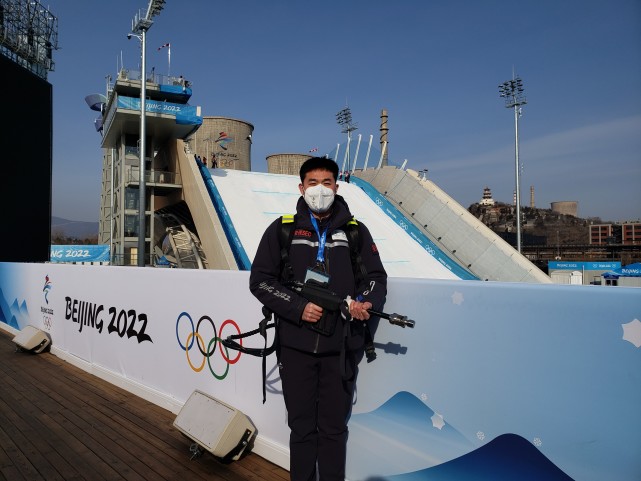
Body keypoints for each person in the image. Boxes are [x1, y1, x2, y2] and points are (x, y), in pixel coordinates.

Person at [250, 157, 387, 481]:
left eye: (327, 183)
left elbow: (376, 278)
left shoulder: (355, 232)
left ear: (337, 187)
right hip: (295, 348)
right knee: (301, 430)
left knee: (333, 430)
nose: (320, 190)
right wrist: (298, 308)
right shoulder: (283, 228)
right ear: (301, 187)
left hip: (340, 348)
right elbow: (261, 280)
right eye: (313, 183)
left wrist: (364, 302)